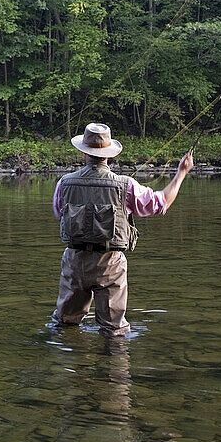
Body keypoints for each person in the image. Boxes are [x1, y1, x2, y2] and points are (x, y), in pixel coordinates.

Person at [51, 122, 194, 336]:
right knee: (114, 331)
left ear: (84, 153)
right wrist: (181, 172)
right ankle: (114, 366)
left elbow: (58, 214)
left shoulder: (64, 183)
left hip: (74, 260)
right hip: (110, 264)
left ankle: (69, 363)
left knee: (64, 324)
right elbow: (161, 203)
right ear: (109, 154)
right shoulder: (126, 185)